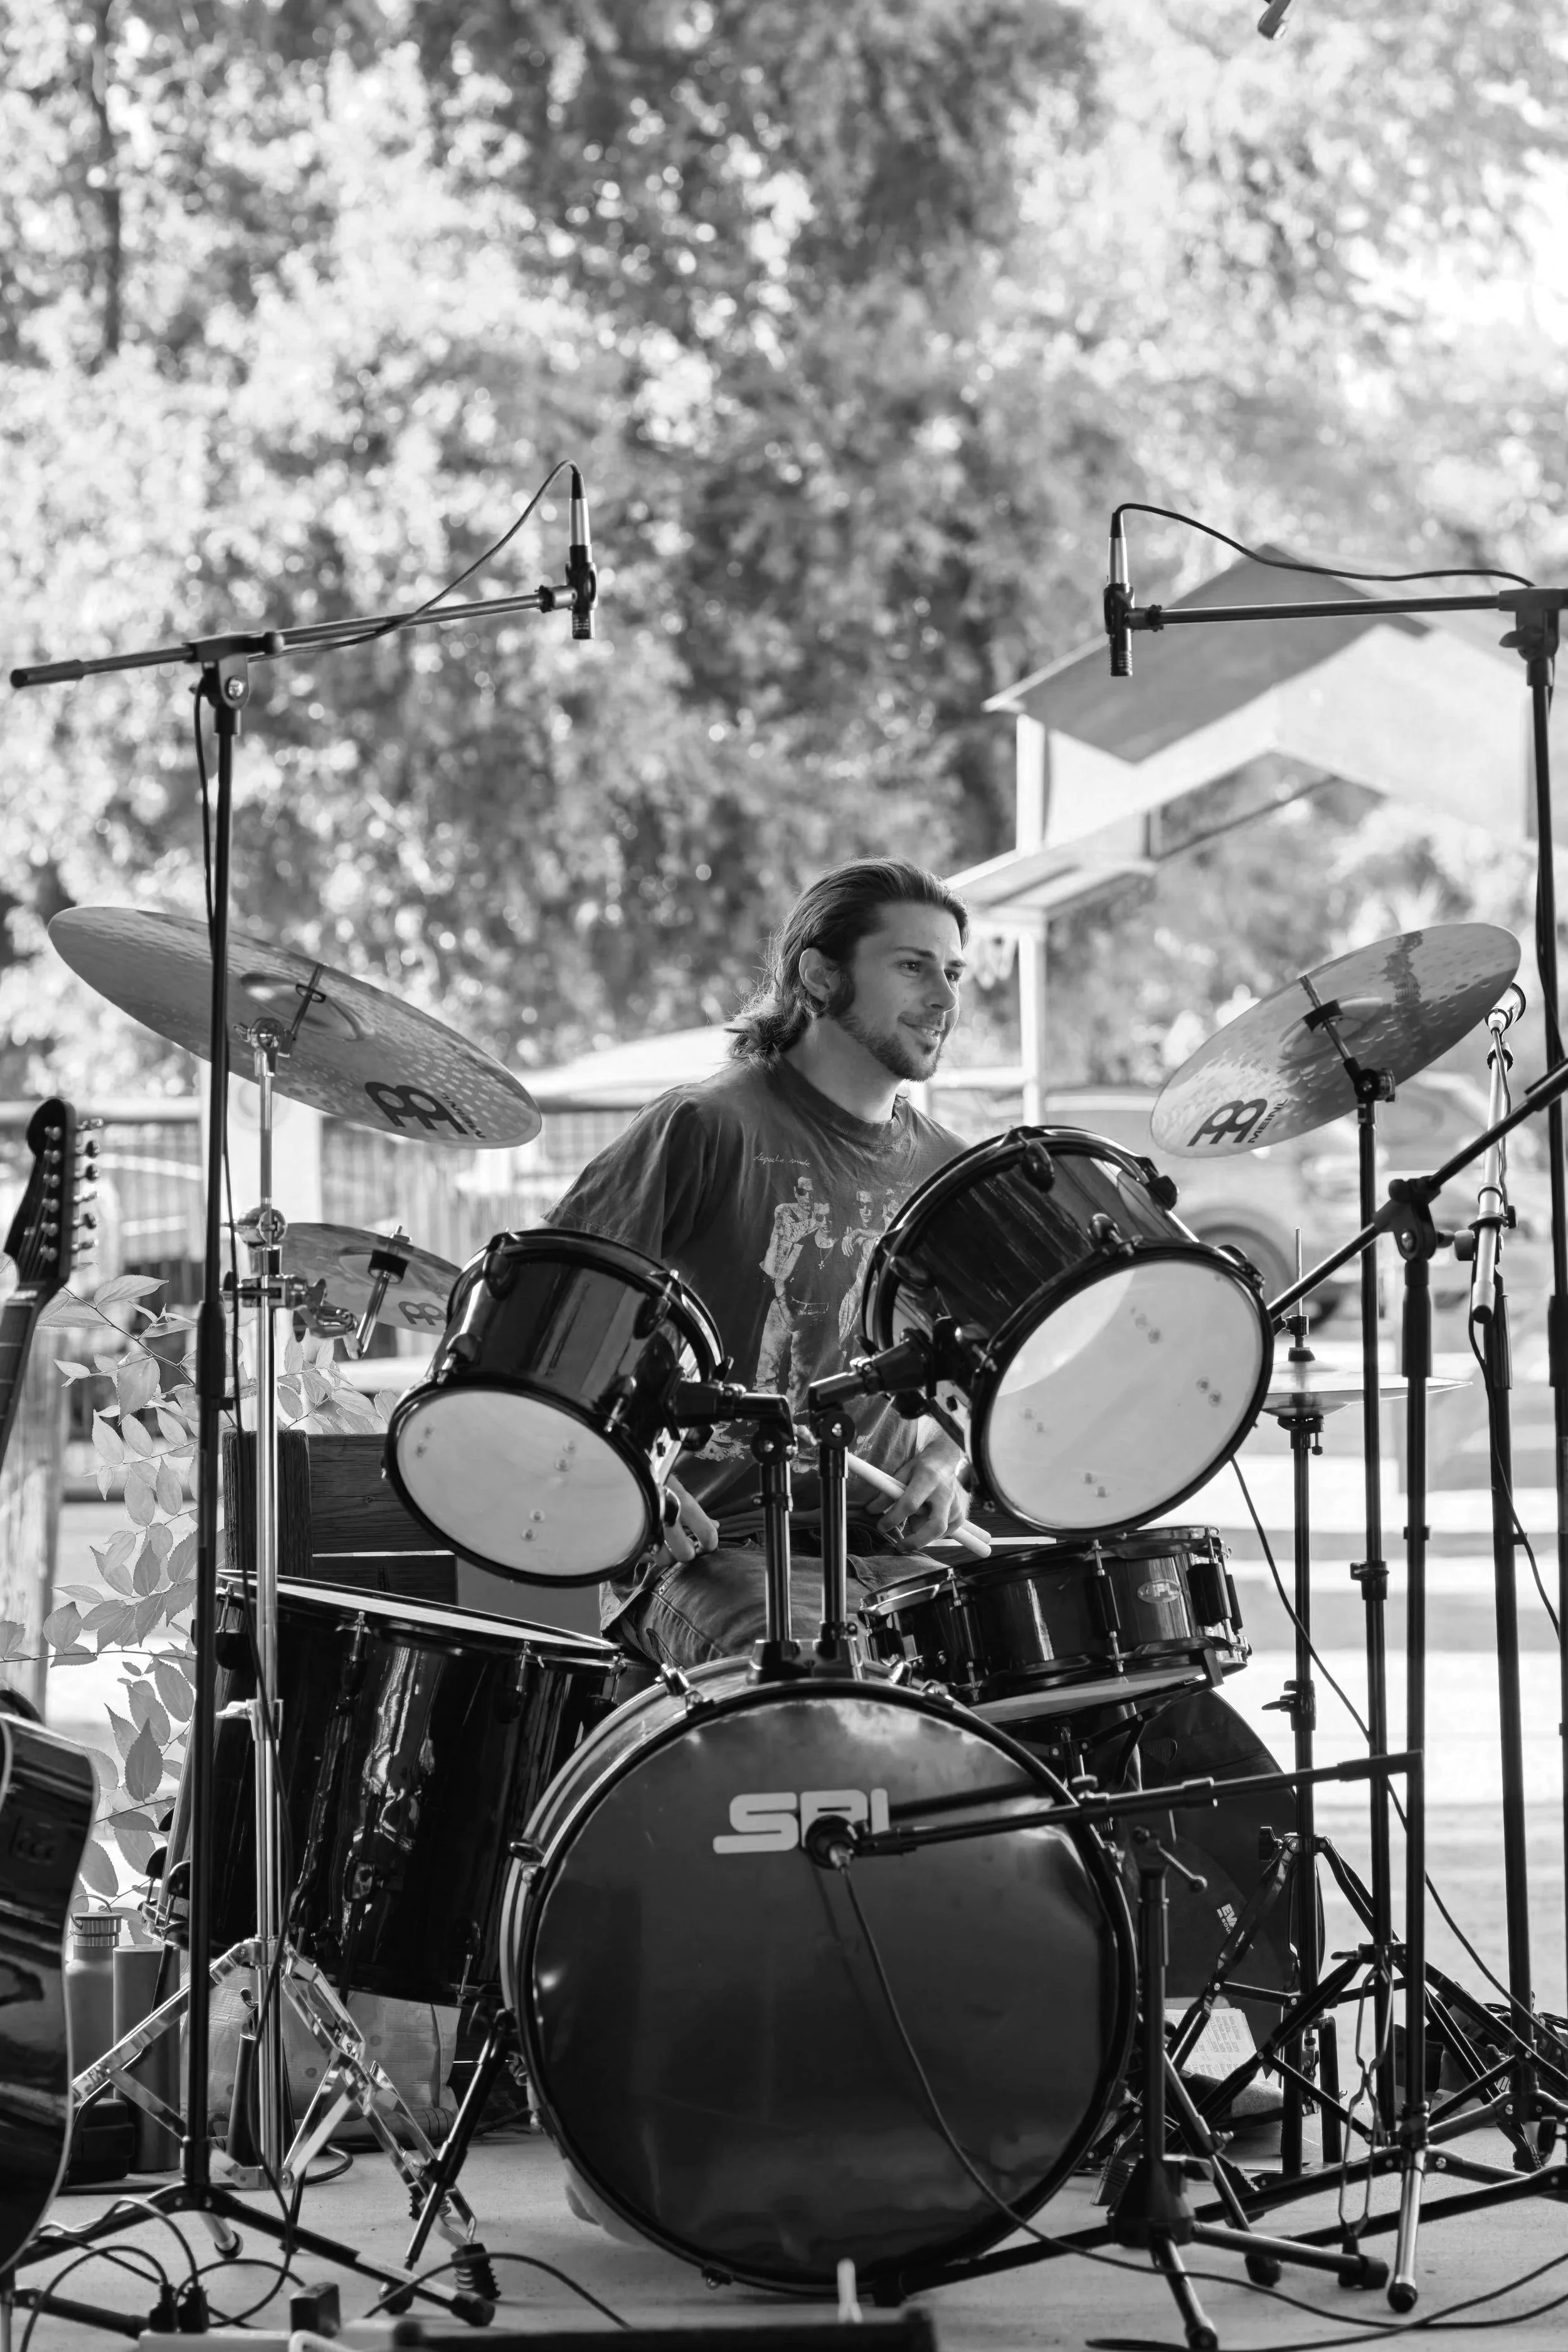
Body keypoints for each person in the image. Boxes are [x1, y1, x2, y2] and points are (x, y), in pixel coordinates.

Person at [546, 856, 975, 1669]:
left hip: (883, 1558)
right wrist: (632, 1483)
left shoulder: (950, 1175)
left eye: (953, 972)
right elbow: (551, 1331)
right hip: (711, 1553)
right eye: (914, 966)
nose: (947, 1000)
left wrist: (949, 1463)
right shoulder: (706, 1125)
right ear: (819, 975)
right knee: (831, 1690)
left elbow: (980, 1379)